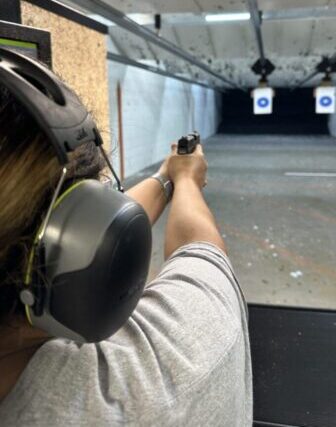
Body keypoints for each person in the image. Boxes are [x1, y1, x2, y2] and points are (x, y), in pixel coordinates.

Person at [0, 82, 252, 425]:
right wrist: (187, 181)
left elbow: (80, 234)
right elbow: (199, 248)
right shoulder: (149, 383)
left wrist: (165, 177)